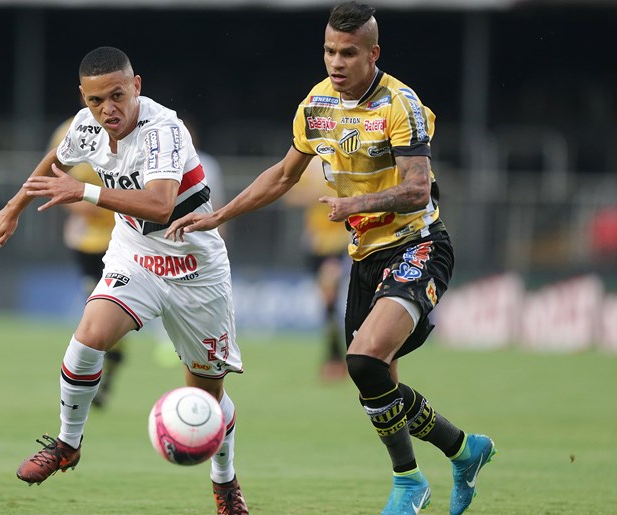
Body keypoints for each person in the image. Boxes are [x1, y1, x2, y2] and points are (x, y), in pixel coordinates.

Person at [166, 3, 496, 514]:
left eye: (348, 53)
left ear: (373, 54)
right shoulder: (317, 104)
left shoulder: (400, 104)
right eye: (329, 51)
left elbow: (417, 189)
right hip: (366, 257)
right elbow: (283, 175)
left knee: (363, 361)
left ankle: (409, 482)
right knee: (374, 380)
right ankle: (463, 449)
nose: (336, 62)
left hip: (418, 244)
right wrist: (218, 215)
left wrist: (356, 204)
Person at [0, 47, 249, 515]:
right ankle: (67, 445)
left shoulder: (164, 129)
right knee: (88, 337)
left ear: (136, 86)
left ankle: (225, 481)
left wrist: (84, 190)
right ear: (83, 98)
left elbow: (161, 205)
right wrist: (13, 207)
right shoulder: (87, 126)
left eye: (117, 96)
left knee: (205, 396)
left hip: (195, 267)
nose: (108, 109)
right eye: (95, 100)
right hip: (137, 254)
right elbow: (56, 159)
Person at [47, 117, 124, 408]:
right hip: (88, 242)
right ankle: (105, 367)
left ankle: (109, 364)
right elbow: (54, 177)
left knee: (112, 309)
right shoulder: (68, 131)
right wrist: (79, 205)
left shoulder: (132, 128)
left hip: (125, 239)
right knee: (97, 304)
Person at [283, 157, 350, 381]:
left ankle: (337, 359)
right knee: (327, 305)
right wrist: (313, 195)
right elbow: (290, 196)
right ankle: (336, 358)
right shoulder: (310, 165)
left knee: (330, 296)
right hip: (314, 244)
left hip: (340, 243)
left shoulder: (345, 159)